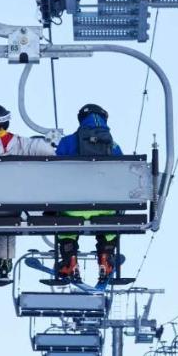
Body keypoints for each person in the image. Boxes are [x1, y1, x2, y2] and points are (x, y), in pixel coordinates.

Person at [0, 104, 54, 282]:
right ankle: (5, 262)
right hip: (11, 205)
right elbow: (46, 150)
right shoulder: (19, 143)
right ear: (5, 123)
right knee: (8, 221)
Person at [54, 103, 124, 284]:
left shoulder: (67, 142)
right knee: (109, 224)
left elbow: (53, 174)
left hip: (72, 207)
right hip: (104, 207)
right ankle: (106, 257)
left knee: (65, 223)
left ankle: (70, 259)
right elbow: (124, 176)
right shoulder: (113, 146)